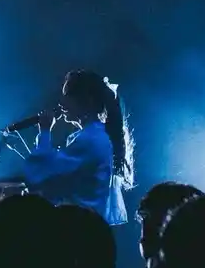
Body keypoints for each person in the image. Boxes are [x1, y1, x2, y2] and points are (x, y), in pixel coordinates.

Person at [22, 70, 132, 227]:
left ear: (87, 101)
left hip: (80, 228)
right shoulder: (93, 135)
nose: (61, 102)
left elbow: (40, 173)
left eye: (67, 95)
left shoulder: (90, 140)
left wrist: (45, 131)